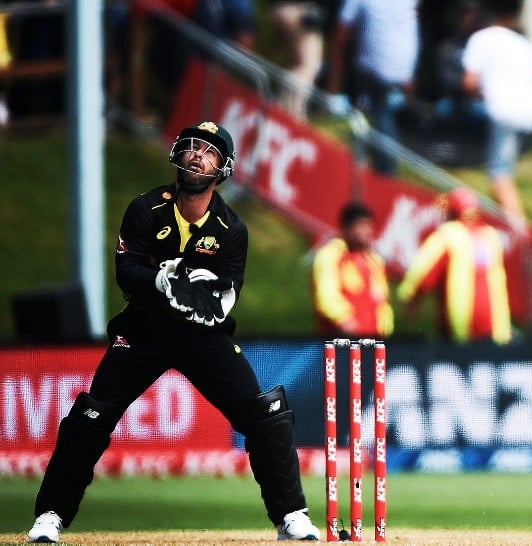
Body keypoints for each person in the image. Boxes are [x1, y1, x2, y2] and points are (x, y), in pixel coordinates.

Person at [26, 122, 320, 543]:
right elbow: (125, 272)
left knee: (266, 415)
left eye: (210, 152)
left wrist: (206, 300)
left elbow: (228, 293)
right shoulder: (146, 209)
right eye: (192, 147)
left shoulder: (232, 229)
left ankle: (291, 517)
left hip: (204, 338)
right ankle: (50, 517)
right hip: (143, 331)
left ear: (223, 169)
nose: (198, 155)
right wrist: (161, 282)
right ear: (179, 156)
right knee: (90, 416)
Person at [462, 0, 532, 234]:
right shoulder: (524, 44)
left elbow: (468, 82)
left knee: (499, 173)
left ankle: (520, 230)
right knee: (504, 170)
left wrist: (484, 94)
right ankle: (502, 219)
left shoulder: (480, 39)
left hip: (505, 113)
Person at [397, 187, 512, 345]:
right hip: (496, 325)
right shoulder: (491, 237)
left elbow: (422, 271)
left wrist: (410, 297)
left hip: (461, 323)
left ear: (452, 211)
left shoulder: (449, 234)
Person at [326, 0, 420, 175]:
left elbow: (341, 33)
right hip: (401, 67)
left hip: (377, 68)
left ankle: (385, 171)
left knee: (381, 114)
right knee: (383, 113)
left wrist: (332, 86)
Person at [310, 201, 394, 338]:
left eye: (369, 225)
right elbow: (326, 295)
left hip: (373, 344)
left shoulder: (374, 261)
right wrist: (345, 321)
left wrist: (385, 331)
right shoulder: (331, 254)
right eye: (361, 225)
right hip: (341, 343)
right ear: (346, 227)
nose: (367, 231)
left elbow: (382, 301)